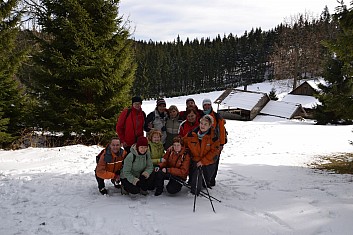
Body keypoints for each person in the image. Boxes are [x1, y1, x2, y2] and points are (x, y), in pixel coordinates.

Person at [183, 115, 220, 196]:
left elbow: (214, 151)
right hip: (195, 160)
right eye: (201, 123)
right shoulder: (192, 134)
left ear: (210, 125)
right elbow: (184, 143)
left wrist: (202, 161)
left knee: (204, 181)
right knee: (195, 183)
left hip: (207, 162)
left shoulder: (213, 136)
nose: (202, 126)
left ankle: (203, 183)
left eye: (205, 124)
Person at [201, 98, 227, 186]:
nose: (206, 106)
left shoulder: (216, 116)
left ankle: (211, 180)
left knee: (214, 162)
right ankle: (204, 179)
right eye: (205, 105)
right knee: (205, 161)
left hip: (215, 143)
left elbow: (222, 130)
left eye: (208, 104)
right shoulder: (201, 115)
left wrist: (221, 143)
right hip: (204, 143)